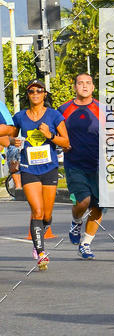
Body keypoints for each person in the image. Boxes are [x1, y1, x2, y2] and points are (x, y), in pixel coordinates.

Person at [0, 80, 70, 269]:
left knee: (47, 215)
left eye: (39, 90)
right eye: (32, 91)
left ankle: (42, 227)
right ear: (28, 95)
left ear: (44, 94)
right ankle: (40, 252)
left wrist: (50, 136)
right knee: (37, 211)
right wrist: (13, 141)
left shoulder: (54, 115)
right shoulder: (20, 116)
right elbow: (10, 136)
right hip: (28, 168)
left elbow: (66, 143)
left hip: (49, 169)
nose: (36, 93)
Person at [58, 72, 103, 260]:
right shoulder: (63, 109)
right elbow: (56, 134)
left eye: (88, 83)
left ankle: (86, 244)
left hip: (100, 165)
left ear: (93, 87)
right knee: (83, 201)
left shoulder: (103, 109)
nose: (84, 86)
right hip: (74, 164)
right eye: (80, 83)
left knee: (99, 206)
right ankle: (76, 221)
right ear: (75, 87)